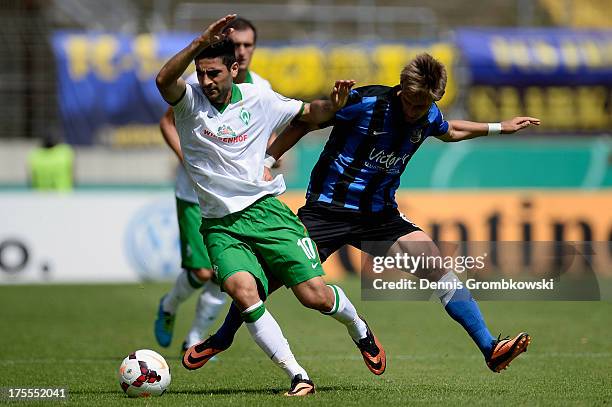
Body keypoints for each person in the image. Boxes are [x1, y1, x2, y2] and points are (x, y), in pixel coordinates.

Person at [195, 53, 539, 374]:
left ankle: (490, 349)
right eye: (412, 102)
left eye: (425, 105)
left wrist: (499, 127)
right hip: (327, 212)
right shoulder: (364, 103)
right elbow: (305, 122)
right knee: (267, 279)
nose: (417, 111)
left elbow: (450, 131)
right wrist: (268, 160)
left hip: (379, 217)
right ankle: (223, 337)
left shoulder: (428, 113)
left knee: (438, 268)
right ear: (402, 88)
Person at [155, 14, 385, 396]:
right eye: (202, 73)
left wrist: (334, 104)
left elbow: (308, 116)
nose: (207, 81)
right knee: (245, 294)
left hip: (267, 214)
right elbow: (164, 80)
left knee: (315, 296)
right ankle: (298, 375)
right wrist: (198, 43)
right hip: (221, 226)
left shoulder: (259, 97)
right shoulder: (189, 101)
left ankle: (359, 329)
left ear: (234, 68)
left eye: (214, 73)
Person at [154, 17, 275, 353]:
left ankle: (194, 336)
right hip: (194, 194)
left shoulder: (261, 89)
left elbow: (272, 131)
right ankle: (168, 305)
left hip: (238, 200)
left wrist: (267, 162)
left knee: (228, 276)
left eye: (247, 45)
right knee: (201, 272)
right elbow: (167, 122)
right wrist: (187, 159)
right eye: (236, 44)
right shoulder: (202, 79)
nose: (242, 50)